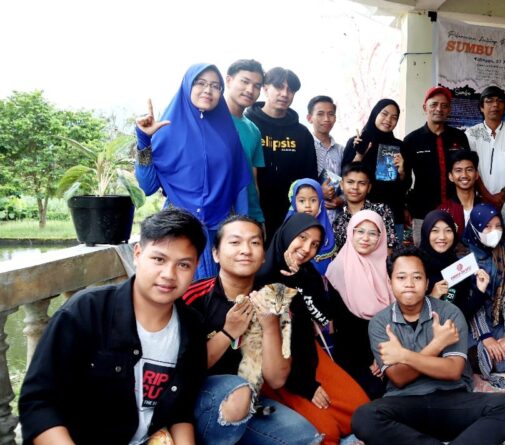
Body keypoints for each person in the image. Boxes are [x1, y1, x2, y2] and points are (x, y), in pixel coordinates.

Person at [20, 208, 208, 445]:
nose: (169, 274)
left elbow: (181, 410)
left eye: (183, 265)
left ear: (196, 266)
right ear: (137, 254)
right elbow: (38, 404)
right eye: (159, 259)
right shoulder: (86, 311)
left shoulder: (192, 326)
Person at [351, 247, 505, 445]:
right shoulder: (380, 322)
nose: (409, 284)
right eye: (401, 277)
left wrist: (404, 356)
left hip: (453, 401)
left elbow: (452, 371)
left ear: (427, 283)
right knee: (364, 418)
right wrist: (437, 344)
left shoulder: (449, 313)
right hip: (404, 403)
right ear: (390, 283)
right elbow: (399, 378)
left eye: (417, 277)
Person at [182, 216, 321, 445]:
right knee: (237, 391)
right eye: (235, 242)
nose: (246, 250)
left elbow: (276, 379)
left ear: (263, 255)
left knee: (305, 438)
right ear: (216, 253)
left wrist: (270, 324)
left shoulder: (273, 300)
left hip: (249, 401)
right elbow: (183, 370)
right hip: (196, 399)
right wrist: (228, 332)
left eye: (255, 243)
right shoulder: (192, 298)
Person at [255, 213, 369, 444]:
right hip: (278, 365)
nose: (307, 248)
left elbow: (322, 317)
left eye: (315, 244)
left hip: (308, 354)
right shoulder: (261, 275)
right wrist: (306, 386)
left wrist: (301, 282)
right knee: (327, 432)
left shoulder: (307, 274)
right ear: (288, 234)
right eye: (302, 237)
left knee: (362, 411)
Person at [134, 63, 251, 279]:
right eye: (201, 83)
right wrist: (144, 139)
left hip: (220, 231)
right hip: (179, 230)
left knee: (220, 294)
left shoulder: (228, 134)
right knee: (182, 292)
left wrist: (242, 230)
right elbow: (148, 186)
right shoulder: (166, 130)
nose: (208, 90)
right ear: (187, 86)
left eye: (215, 86)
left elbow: (240, 184)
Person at [326, 210, 394, 399]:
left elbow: (394, 317)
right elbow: (341, 323)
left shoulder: (388, 268)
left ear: (381, 237)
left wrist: (381, 357)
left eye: (373, 233)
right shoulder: (337, 269)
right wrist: (372, 360)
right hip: (352, 353)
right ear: (351, 232)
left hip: (386, 349)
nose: (365, 238)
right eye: (360, 231)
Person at [245, 67, 317, 243]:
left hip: (289, 217)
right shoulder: (248, 125)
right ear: (265, 88)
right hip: (250, 213)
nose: (284, 94)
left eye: (290, 90)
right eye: (278, 87)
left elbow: (309, 179)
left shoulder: (302, 134)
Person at [462, 203, 505, 388]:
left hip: (499, 321)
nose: (494, 232)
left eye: (498, 226)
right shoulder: (464, 257)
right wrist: (485, 337)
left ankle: (482, 359)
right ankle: (478, 356)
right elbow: (469, 301)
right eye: (487, 227)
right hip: (472, 325)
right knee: (461, 359)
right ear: (475, 228)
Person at [402, 86, 470, 244]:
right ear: (425, 107)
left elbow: (468, 171)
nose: (439, 109)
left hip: (456, 209)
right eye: (434, 105)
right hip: (423, 211)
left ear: (449, 110)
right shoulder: (411, 140)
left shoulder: (459, 137)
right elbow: (405, 179)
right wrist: (404, 207)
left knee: (457, 253)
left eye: (444, 105)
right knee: (424, 254)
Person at [342, 99, 407, 243]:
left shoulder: (400, 146)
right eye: (384, 114)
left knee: (391, 256)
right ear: (375, 114)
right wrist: (360, 154)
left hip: (392, 214)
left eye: (394, 117)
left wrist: (402, 171)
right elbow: (346, 177)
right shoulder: (357, 142)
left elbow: (405, 186)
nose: (388, 120)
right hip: (361, 214)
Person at [418, 210, 489, 320]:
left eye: (448, 230)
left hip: (452, 328)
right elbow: (407, 312)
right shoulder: (415, 265)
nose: (442, 237)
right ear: (426, 233)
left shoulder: (457, 267)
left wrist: (480, 291)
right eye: (435, 230)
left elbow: (462, 314)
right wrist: (432, 297)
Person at [465, 86, 505, 210]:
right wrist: (488, 197)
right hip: (479, 199)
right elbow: (470, 168)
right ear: (481, 107)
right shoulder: (471, 133)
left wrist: (504, 193)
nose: (495, 105)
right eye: (489, 101)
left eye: (500, 101)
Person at [225, 59, 267, 226]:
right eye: (244, 81)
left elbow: (253, 182)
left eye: (257, 86)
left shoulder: (253, 130)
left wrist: (258, 219)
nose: (250, 90)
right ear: (229, 80)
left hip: (246, 217)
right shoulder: (208, 120)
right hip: (212, 216)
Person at [332, 162, 397, 251]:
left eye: (362, 183)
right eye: (350, 182)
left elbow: (390, 248)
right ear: (342, 185)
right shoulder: (338, 221)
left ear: (369, 187)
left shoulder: (381, 211)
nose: (355, 187)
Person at [285, 178, 336, 275]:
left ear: (320, 202)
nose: (307, 205)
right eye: (302, 201)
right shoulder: (288, 227)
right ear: (294, 202)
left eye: (313, 200)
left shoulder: (324, 227)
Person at [307, 95, 345, 222]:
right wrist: (318, 192)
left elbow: (348, 181)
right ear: (309, 118)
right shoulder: (304, 146)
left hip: (336, 220)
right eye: (320, 114)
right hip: (310, 219)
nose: (326, 119)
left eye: (331, 114)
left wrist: (341, 200)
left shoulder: (341, 150)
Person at [438, 150, 482, 240]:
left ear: (477, 174)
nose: (464, 175)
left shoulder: (488, 208)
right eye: (458, 170)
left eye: (469, 170)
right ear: (450, 176)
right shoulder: (443, 211)